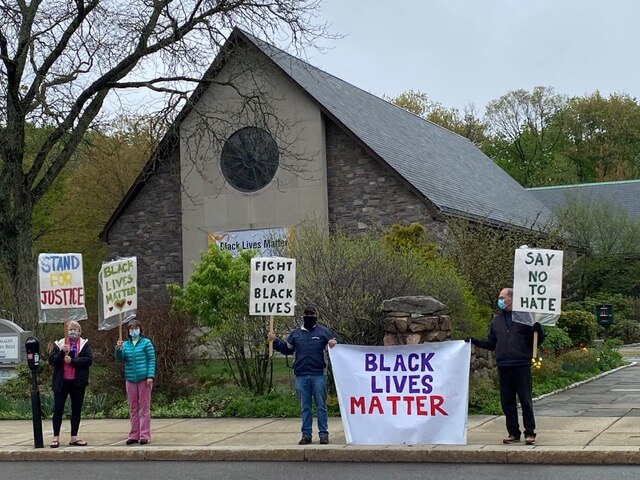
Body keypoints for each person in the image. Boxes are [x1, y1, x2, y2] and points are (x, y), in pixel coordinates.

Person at [467, 287, 545, 445]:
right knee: (507, 401)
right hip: (504, 365)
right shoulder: (497, 320)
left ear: (511, 299)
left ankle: (530, 432)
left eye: (502, 297)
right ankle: (513, 432)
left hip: (521, 364)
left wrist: (538, 331)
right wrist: (475, 341)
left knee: (525, 399)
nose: (500, 300)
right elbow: (491, 343)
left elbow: (536, 340)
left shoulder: (525, 317)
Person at [268, 305, 337, 445]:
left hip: (318, 374)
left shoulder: (323, 332)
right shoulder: (295, 334)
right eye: (307, 314)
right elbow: (287, 349)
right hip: (301, 375)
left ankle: (323, 434)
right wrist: (274, 341)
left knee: (321, 406)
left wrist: (334, 343)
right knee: (305, 407)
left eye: (312, 314)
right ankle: (306, 435)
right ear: (303, 316)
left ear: (316, 315)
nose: (309, 316)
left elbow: (335, 345)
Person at [48, 320, 93, 448]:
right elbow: (52, 361)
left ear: (80, 332)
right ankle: (55, 437)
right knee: (58, 408)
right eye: (70, 329)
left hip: (77, 382)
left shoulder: (84, 345)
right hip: (61, 382)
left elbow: (88, 360)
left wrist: (73, 361)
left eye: (75, 330)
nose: (73, 332)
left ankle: (74, 436)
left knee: (76, 409)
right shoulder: (59, 344)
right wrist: (61, 353)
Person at [114, 318, 156, 445]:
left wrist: (150, 376)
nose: (134, 331)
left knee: (144, 407)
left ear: (140, 330)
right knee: (133, 407)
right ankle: (134, 434)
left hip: (144, 379)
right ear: (128, 331)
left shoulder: (146, 343)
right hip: (131, 378)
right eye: (131, 329)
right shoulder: (125, 344)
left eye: (136, 328)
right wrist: (118, 349)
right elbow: (120, 359)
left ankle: (144, 434)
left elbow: (151, 359)